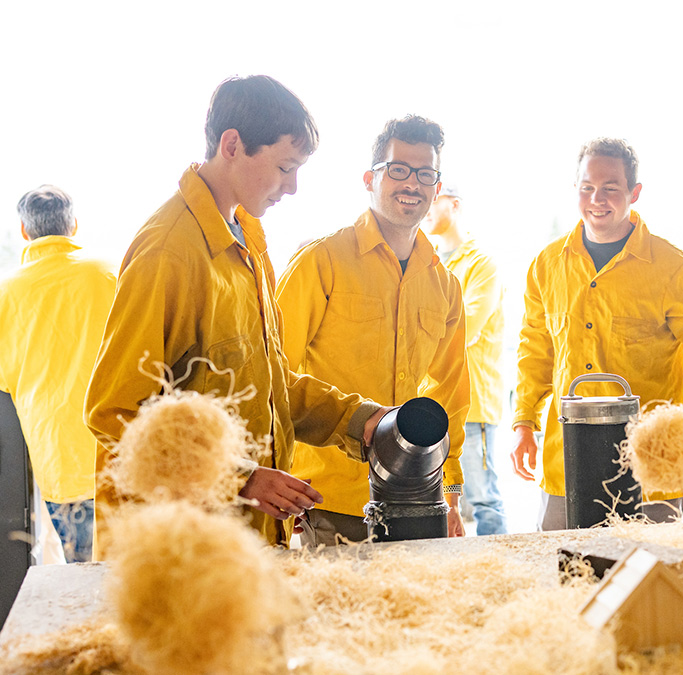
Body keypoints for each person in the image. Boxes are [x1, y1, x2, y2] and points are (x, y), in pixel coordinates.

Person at [85, 75, 391, 556]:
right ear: (232, 145)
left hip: (241, 543)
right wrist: (240, 480)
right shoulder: (169, 252)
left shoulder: (247, 238)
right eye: (285, 167)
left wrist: (360, 421)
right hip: (175, 553)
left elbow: (266, 382)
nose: (292, 187)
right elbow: (114, 413)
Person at [511, 137, 683, 531]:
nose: (597, 199)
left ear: (634, 192)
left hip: (651, 468)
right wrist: (523, 423)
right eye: (587, 187)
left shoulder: (673, 269)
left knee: (650, 579)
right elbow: (536, 350)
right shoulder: (546, 265)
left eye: (610, 188)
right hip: (566, 462)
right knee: (565, 574)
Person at [277, 116, 471, 545]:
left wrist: (452, 495)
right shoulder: (321, 262)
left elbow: (452, 399)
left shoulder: (444, 285)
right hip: (326, 501)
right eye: (398, 169)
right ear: (370, 179)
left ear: (436, 189)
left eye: (425, 174)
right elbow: (272, 377)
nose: (412, 184)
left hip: (416, 499)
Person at [0, 186, 115, 563]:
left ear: (23, 231)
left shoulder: (6, 292)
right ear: (74, 225)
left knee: (83, 577)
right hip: (118, 449)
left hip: (59, 457)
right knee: (134, 575)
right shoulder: (108, 273)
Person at [421, 183, 508, 535]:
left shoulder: (481, 263)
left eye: (434, 198)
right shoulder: (429, 262)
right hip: (433, 402)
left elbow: (465, 328)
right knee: (445, 499)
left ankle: (497, 580)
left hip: (472, 406)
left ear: (454, 205)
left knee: (483, 499)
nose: (425, 204)